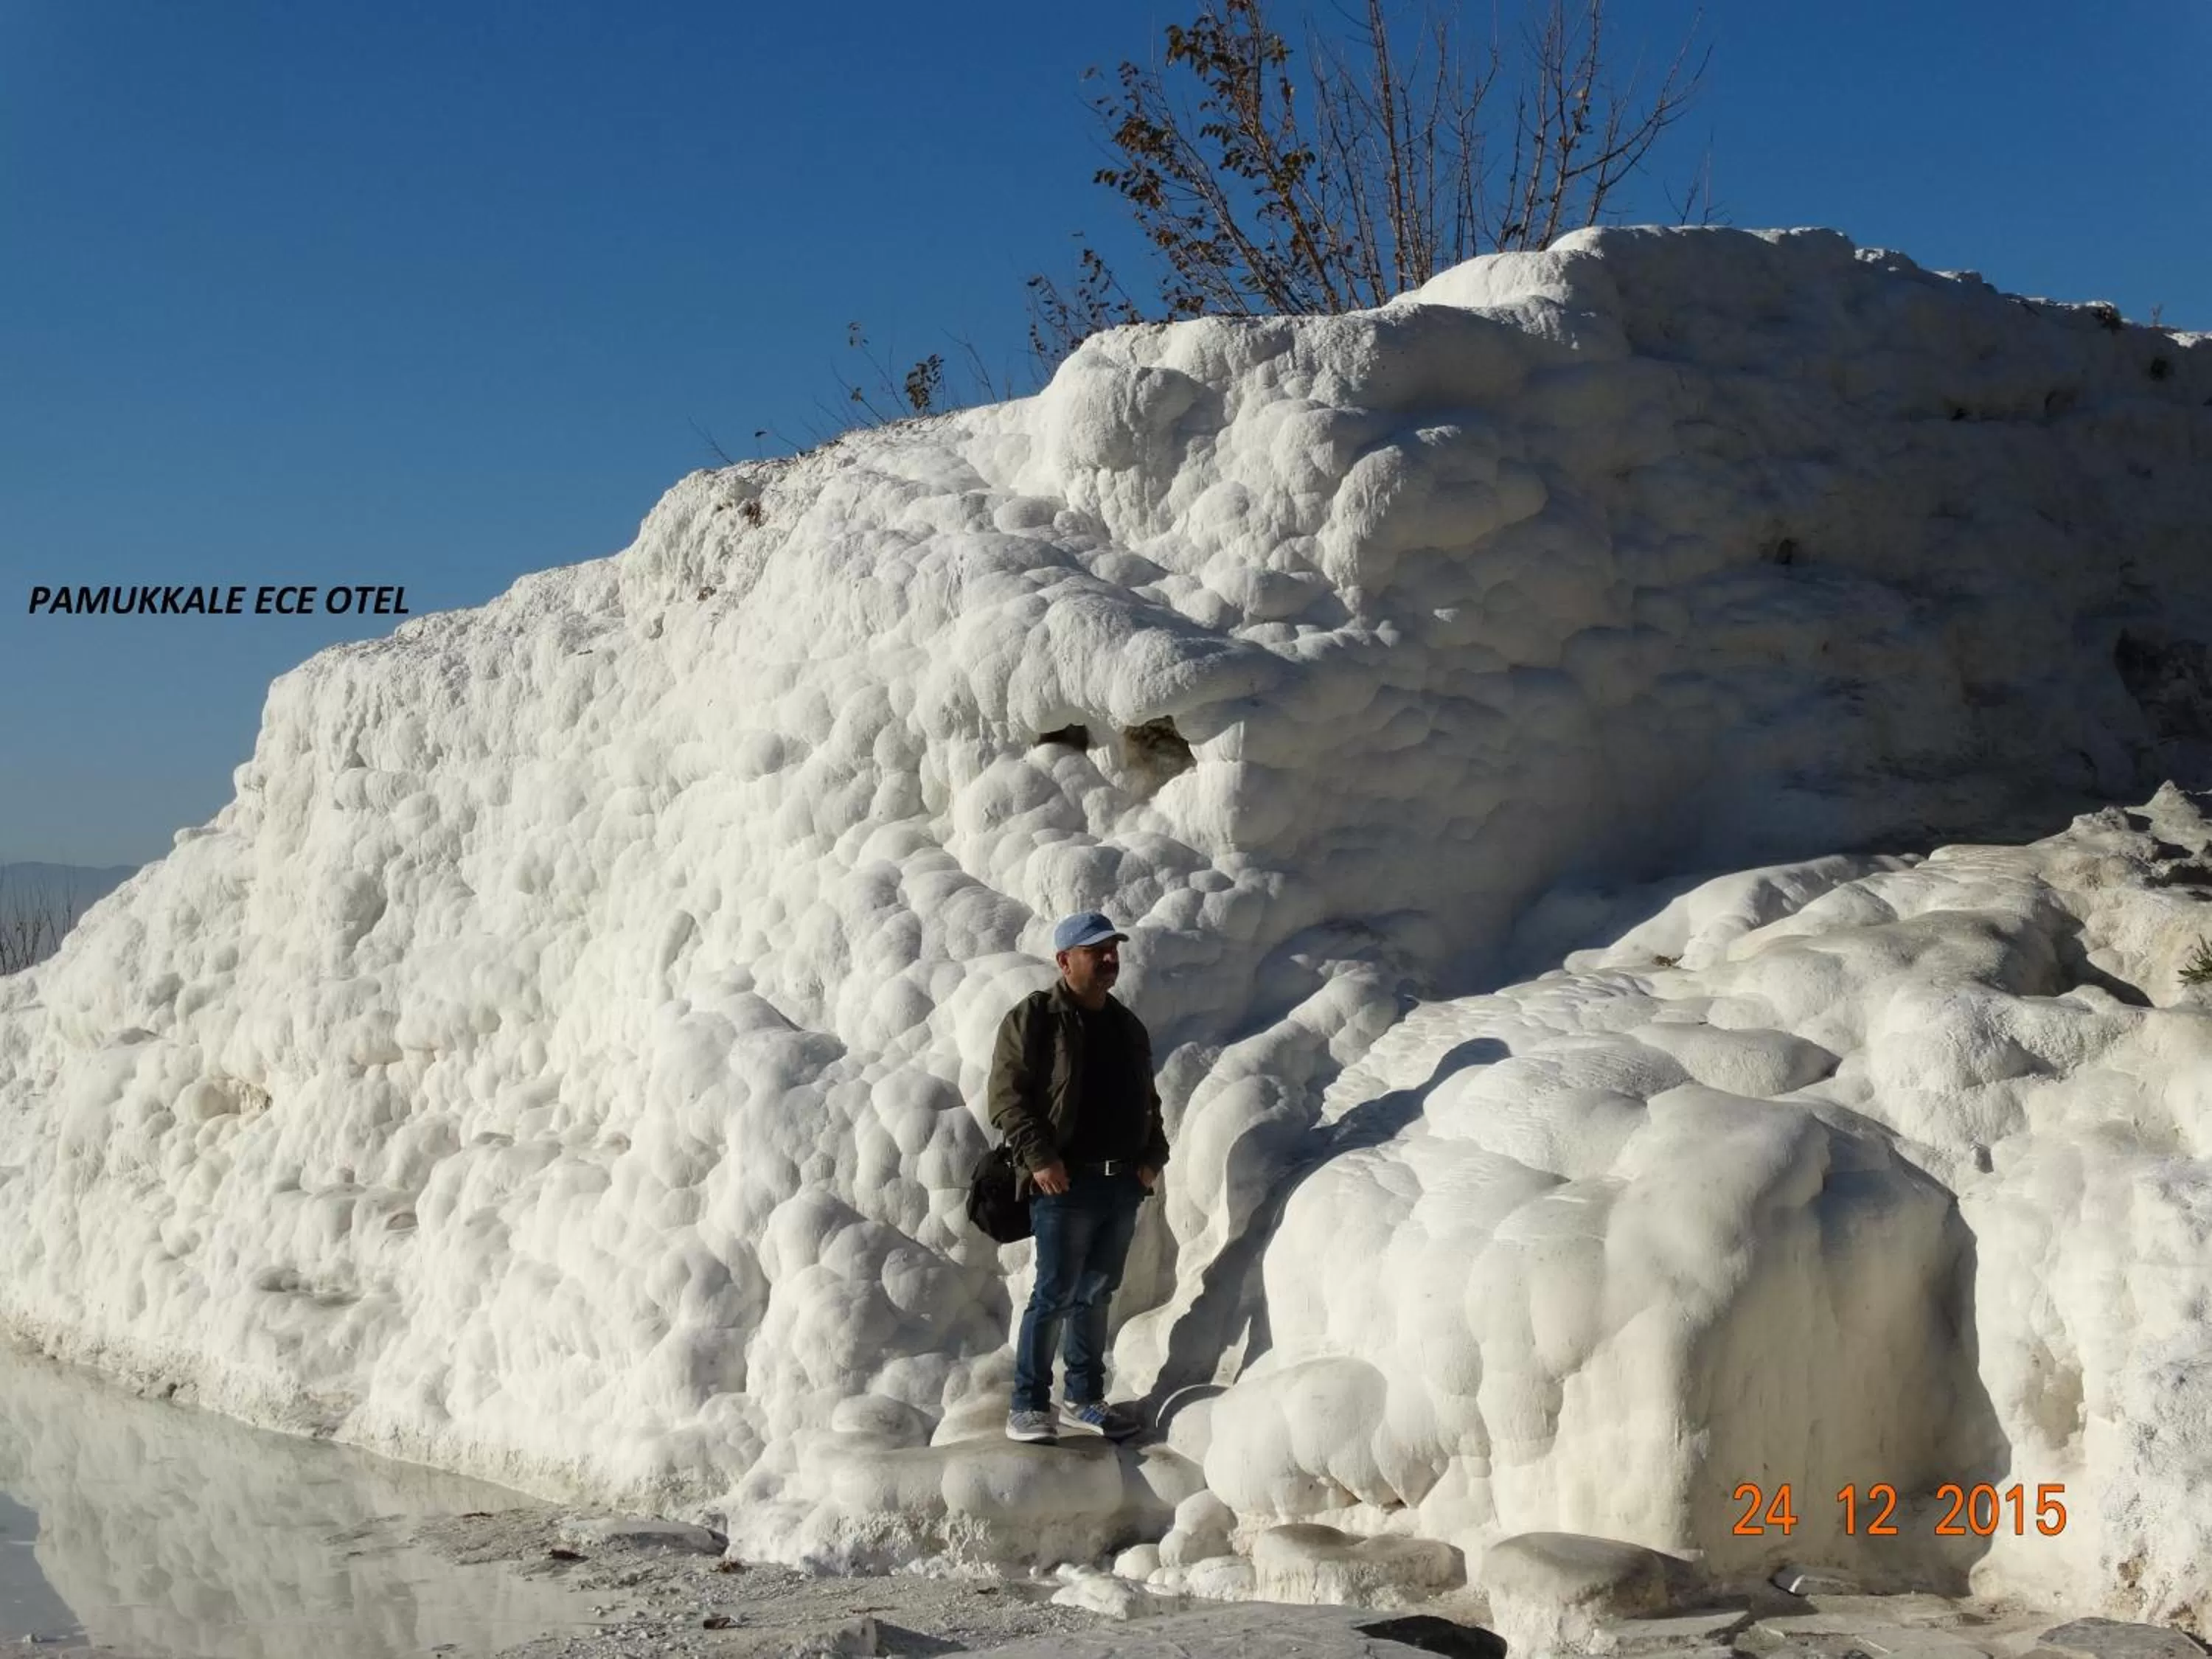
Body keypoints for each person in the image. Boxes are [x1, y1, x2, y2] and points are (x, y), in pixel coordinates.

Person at [989, 911, 1169, 1443]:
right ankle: (1027, 1404)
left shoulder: (1126, 1024)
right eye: (1097, 951)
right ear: (1065, 960)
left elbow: (1149, 1101)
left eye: (1113, 949)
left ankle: (1085, 1399)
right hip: (1064, 1183)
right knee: (1054, 1293)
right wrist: (1039, 1157)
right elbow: (1006, 1097)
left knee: (1098, 1291)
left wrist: (1153, 1155)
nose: (1109, 959)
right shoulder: (1035, 1017)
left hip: (1121, 1183)